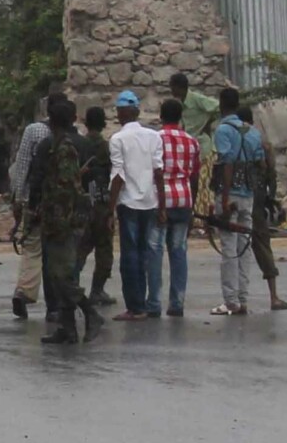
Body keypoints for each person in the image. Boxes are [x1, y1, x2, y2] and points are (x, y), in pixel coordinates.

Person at [37, 98, 106, 346]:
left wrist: (58, 220)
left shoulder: (64, 148)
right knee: (61, 275)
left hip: (63, 220)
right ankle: (68, 329)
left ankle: (90, 313)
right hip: (62, 218)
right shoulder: (64, 145)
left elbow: (66, 190)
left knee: (61, 275)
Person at [108, 90, 164, 320]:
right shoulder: (154, 137)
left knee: (129, 256)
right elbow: (159, 172)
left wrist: (109, 209)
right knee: (145, 254)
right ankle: (147, 302)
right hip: (150, 203)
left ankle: (135, 306)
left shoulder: (117, 140)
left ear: (120, 113)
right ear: (137, 111)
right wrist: (162, 206)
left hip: (129, 203)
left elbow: (118, 177)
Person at [211, 89, 263, 317]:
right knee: (245, 246)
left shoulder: (223, 130)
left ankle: (230, 301)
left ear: (222, 104)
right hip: (248, 195)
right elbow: (260, 164)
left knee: (229, 248)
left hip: (229, 194)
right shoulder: (252, 131)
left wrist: (224, 200)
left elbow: (227, 164)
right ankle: (242, 299)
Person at [237, 106, 287, 311]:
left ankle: (238, 299)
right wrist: (270, 198)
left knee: (236, 246)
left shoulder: (234, 138)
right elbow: (271, 176)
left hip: (238, 195)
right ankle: (274, 297)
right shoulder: (261, 141)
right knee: (262, 245)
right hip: (257, 198)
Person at [7, 99, 54, 319]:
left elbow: (22, 163)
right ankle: (60, 299)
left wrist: (17, 197)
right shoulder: (74, 136)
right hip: (60, 205)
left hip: (33, 202)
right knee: (58, 251)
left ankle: (24, 290)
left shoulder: (34, 131)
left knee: (32, 248)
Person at [156, 96, 203, 311]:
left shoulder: (155, 139)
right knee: (178, 252)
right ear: (180, 116)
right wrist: (192, 204)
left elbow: (153, 172)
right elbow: (195, 176)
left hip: (160, 202)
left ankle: (154, 302)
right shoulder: (192, 141)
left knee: (155, 252)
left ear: (161, 116)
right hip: (184, 199)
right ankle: (177, 302)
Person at [171, 73, 221, 239]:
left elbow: (218, 107)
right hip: (191, 149)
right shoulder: (183, 104)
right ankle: (199, 219)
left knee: (202, 185)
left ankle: (202, 221)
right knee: (194, 185)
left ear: (179, 87)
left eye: (172, 86)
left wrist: (209, 123)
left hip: (204, 148)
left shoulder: (196, 99)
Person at [75, 106, 116, 307]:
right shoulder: (107, 147)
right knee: (104, 249)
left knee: (80, 248)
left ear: (85, 122)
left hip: (82, 204)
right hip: (101, 203)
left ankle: (72, 287)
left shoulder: (79, 145)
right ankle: (97, 290)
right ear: (103, 124)